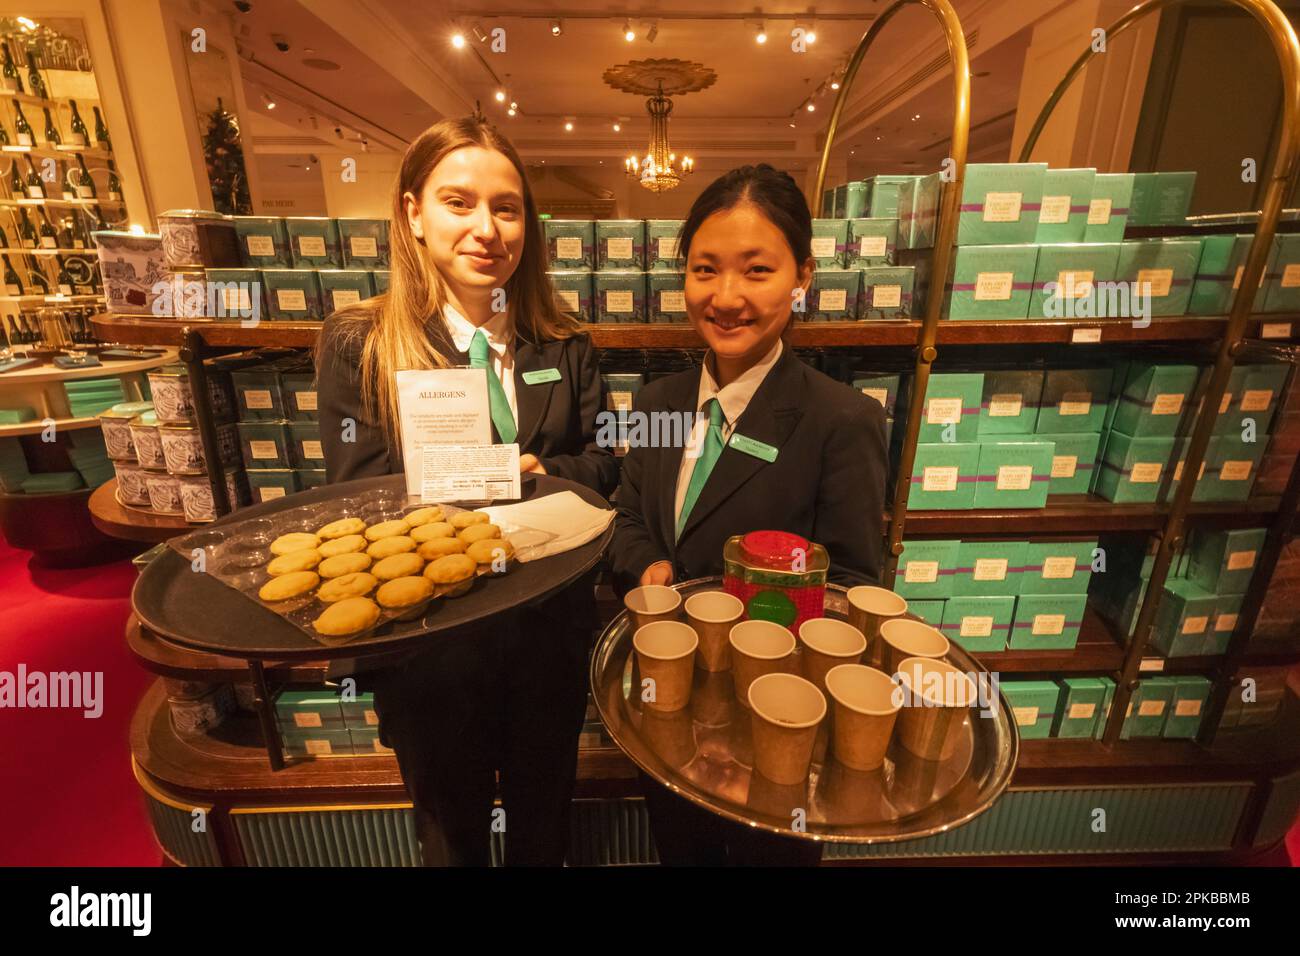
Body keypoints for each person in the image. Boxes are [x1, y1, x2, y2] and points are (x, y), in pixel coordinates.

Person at [315, 116, 618, 866]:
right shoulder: (361, 342)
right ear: (413, 213)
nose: (487, 228)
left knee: (543, 826)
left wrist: (536, 474)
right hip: (432, 648)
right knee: (452, 838)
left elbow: (608, 463)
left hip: (548, 632)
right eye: (460, 202)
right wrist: (477, 481)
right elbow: (360, 500)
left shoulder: (563, 342)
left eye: (507, 207)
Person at [609, 163, 889, 865]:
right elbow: (627, 520)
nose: (725, 297)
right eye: (704, 269)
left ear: (803, 277)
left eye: (756, 271)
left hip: (780, 732)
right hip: (670, 709)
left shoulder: (841, 420)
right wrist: (648, 566)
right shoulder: (660, 405)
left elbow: (852, 582)